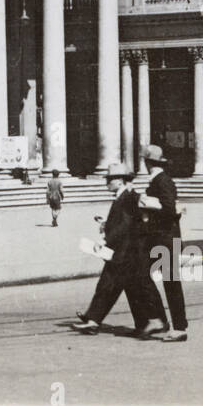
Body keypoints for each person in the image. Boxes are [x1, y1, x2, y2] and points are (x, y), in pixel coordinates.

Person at [72, 165, 167, 336]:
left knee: (109, 285)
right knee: (127, 288)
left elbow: (124, 226)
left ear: (120, 180)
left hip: (125, 252)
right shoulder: (123, 197)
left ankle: (94, 320)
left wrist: (105, 240)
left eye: (110, 179)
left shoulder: (128, 197)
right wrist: (106, 223)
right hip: (126, 252)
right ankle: (146, 323)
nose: (107, 183)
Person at [135, 144, 188, 342]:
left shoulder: (161, 181)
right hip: (163, 239)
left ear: (147, 162)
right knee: (145, 275)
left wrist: (147, 205)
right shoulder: (161, 180)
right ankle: (160, 320)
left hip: (164, 239)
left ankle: (177, 326)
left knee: (169, 283)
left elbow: (168, 209)